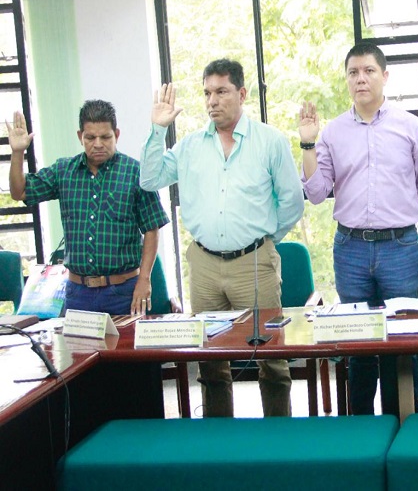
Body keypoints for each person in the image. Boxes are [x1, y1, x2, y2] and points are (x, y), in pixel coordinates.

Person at [140, 59, 304, 417]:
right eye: (207, 93)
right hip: (204, 265)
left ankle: (279, 436)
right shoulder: (189, 147)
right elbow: (149, 179)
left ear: (241, 94)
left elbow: (292, 202)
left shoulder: (269, 141)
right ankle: (219, 437)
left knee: (271, 358)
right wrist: (157, 130)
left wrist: (263, 241)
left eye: (221, 92)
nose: (212, 101)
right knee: (211, 361)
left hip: (254, 263)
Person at [299, 42, 418, 415]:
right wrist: (308, 142)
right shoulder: (332, 132)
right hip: (352, 249)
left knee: (403, 339)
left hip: (399, 247)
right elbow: (316, 193)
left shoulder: (410, 126)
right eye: (353, 73)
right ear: (346, 80)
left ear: (385, 76)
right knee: (357, 341)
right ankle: (361, 424)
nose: (360, 79)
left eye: (368, 71)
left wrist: (410, 221)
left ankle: (404, 418)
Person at [7, 100, 169, 316]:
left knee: (126, 340)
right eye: (90, 138)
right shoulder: (64, 171)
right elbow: (19, 192)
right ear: (80, 136)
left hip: (123, 291)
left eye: (105, 137)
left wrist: (145, 279)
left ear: (117, 135)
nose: (98, 144)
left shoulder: (135, 172)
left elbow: (152, 228)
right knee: (77, 341)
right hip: (78, 293)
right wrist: (18, 153)